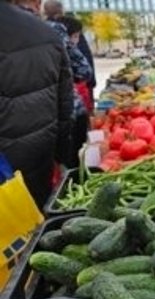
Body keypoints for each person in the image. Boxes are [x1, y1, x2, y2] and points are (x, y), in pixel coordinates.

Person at [0, 0, 74, 207]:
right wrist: (61, 156)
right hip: (38, 161)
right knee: (32, 228)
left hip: (5, 168)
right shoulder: (46, 33)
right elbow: (65, 105)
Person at [44, 0, 96, 103]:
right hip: (71, 92)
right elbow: (85, 67)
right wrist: (91, 83)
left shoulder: (39, 30)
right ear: (62, 11)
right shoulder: (67, 29)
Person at [58, 15, 91, 168]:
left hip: (43, 116)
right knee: (72, 157)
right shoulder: (62, 41)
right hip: (69, 110)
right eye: (76, 36)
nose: (77, 39)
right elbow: (85, 71)